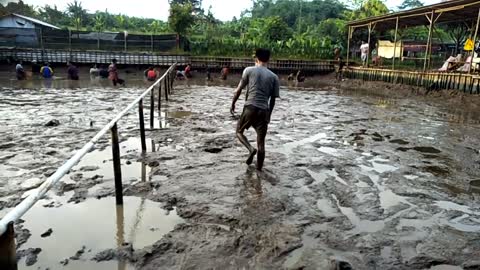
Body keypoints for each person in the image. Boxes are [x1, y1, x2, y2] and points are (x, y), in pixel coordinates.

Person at [230, 48, 280, 171]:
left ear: (256, 58)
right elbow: (272, 100)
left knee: (239, 132)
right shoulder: (274, 77)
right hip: (263, 110)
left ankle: (251, 149)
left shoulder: (248, 70)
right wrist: (269, 115)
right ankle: (259, 172)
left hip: (250, 107)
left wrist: (233, 104)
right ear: (268, 60)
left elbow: (239, 90)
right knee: (261, 143)